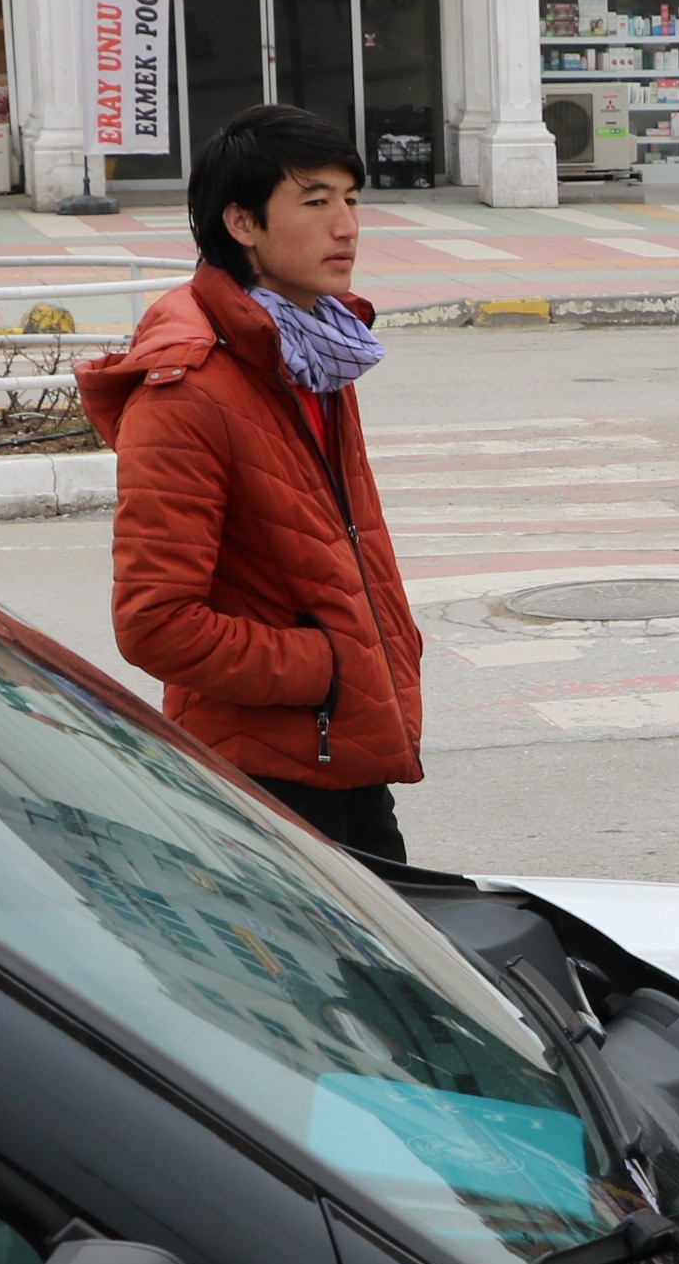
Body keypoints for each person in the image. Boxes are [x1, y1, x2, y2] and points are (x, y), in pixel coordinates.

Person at [79, 102, 424, 863]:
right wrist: (329, 667)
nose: (347, 227)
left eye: (352, 200)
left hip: (343, 751)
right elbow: (155, 622)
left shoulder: (315, 350)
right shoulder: (190, 389)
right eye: (315, 202)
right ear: (243, 224)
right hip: (268, 771)